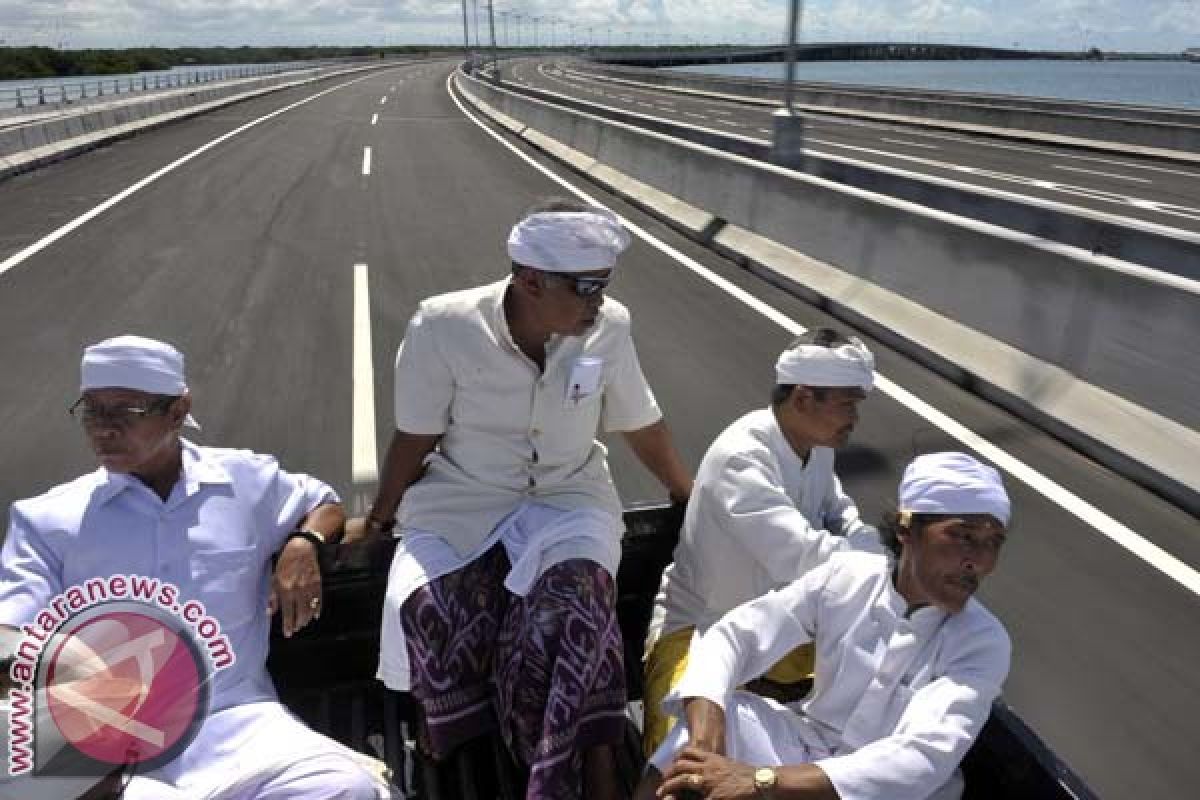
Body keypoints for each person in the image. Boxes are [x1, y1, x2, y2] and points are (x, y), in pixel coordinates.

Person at [363, 198, 692, 800]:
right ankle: (454, 748)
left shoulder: (610, 326)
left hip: (570, 498)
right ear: (529, 279)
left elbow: (640, 422)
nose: (598, 300)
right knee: (431, 607)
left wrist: (686, 493)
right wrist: (380, 519)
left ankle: (591, 764)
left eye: (603, 285)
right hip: (464, 499)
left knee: (576, 603)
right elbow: (415, 436)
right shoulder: (442, 325)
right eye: (585, 286)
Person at [0, 335, 389, 799]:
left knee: (346, 787)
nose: (103, 429)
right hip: (111, 747)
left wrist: (305, 544)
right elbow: (11, 635)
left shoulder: (244, 481)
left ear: (179, 410)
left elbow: (323, 503)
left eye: (126, 411)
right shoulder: (47, 520)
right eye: (92, 410)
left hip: (241, 725)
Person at [636, 452, 1013, 800]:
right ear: (907, 528)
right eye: (964, 536)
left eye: (992, 543)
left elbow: (918, 759)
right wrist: (707, 741)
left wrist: (758, 780)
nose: (977, 561)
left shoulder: (982, 641)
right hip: (806, 746)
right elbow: (735, 636)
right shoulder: (848, 577)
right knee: (702, 737)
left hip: (885, 794)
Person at [642, 329, 881, 757]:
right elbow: (804, 556)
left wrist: (871, 552)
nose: (854, 419)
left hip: (780, 632)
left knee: (878, 702)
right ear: (804, 399)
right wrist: (884, 567)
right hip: (704, 632)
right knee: (684, 760)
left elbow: (844, 517)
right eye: (847, 405)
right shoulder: (742, 458)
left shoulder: (817, 447)